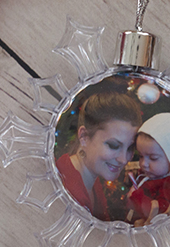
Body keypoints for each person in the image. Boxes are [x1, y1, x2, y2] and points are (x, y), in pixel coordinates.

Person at [56, 91, 142, 221]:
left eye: (130, 148)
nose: (124, 159)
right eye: (113, 145)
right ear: (84, 137)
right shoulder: (69, 193)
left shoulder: (90, 178)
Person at [127, 112, 170, 227]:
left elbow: (158, 213)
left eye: (153, 158)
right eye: (141, 156)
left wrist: (135, 196)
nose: (143, 164)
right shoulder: (154, 173)